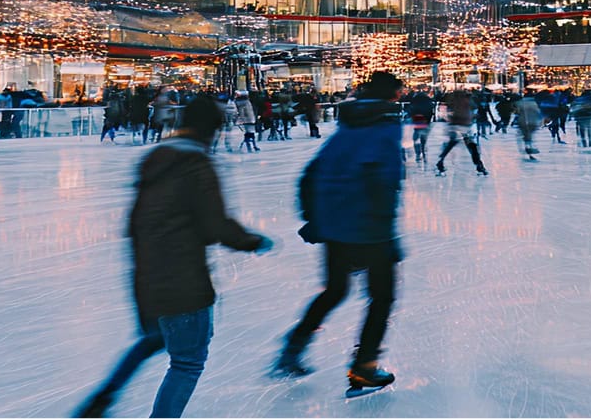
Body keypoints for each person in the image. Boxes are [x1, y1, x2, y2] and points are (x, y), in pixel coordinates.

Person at [78, 97, 272, 418]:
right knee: (188, 361)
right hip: (183, 279)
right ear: (213, 128)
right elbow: (215, 226)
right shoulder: (197, 165)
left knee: (155, 337)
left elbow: (136, 221)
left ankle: (103, 398)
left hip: (146, 274)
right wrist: (252, 241)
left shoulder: (156, 158)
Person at [275, 71, 404, 398]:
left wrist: (315, 220)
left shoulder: (345, 128)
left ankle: (293, 346)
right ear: (392, 96)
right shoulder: (385, 128)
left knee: (335, 290)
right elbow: (383, 182)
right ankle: (363, 368)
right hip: (369, 229)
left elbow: (309, 176)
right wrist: (386, 234)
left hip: (335, 228)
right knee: (382, 297)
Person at [435, 89, 488, 176]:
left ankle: (440, 162)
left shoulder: (453, 102)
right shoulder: (467, 101)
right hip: (465, 127)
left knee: (450, 145)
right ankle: (479, 165)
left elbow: (449, 113)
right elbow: (471, 111)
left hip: (455, 126)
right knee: (472, 147)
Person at [406, 88, 435, 166]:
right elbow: (431, 111)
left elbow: (411, 109)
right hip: (426, 120)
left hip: (418, 119)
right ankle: (423, 147)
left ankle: (418, 152)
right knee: (423, 135)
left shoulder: (415, 101)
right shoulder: (428, 101)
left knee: (416, 134)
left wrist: (412, 116)